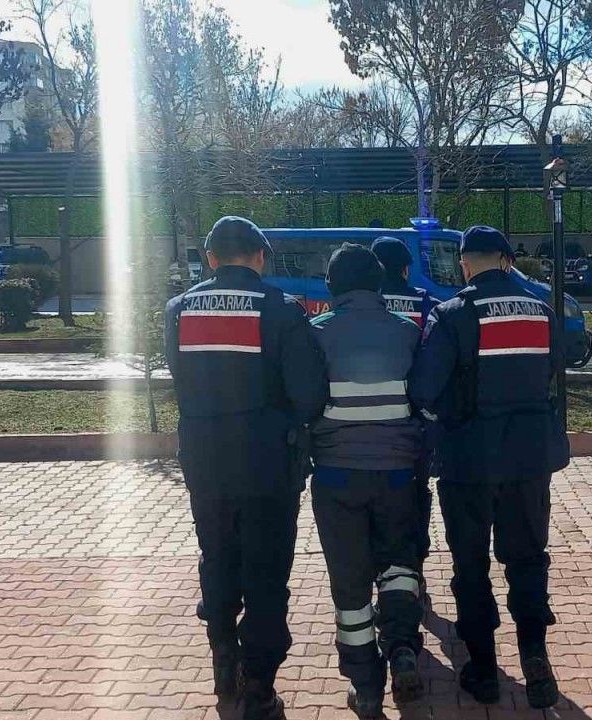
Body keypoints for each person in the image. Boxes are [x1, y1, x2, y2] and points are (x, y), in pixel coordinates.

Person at [165, 216, 328, 720]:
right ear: (260, 257)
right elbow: (309, 396)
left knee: (216, 558)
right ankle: (259, 687)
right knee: (265, 573)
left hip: (205, 462)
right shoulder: (282, 310)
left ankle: (222, 654)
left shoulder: (178, 309)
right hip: (267, 466)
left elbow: (179, 379)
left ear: (210, 258)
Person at [408, 225, 570, 709]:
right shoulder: (541, 311)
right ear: (506, 260)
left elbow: (424, 388)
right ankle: (535, 656)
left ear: (463, 264)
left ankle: (482, 668)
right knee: (528, 559)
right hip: (528, 459)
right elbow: (553, 369)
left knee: (471, 566)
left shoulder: (452, 313)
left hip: (469, 461)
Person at [308, 243, 425, 718]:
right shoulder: (408, 331)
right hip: (398, 472)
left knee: (351, 584)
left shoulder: (315, 333)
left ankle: (366, 685)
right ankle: (402, 647)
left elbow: (303, 400)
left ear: (331, 286)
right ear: (380, 284)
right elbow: (424, 398)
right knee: (399, 564)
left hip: (336, 476)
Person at [370, 236, 436, 587]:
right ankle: (413, 568)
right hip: (415, 421)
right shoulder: (426, 304)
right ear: (406, 269)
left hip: (368, 420)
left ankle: (377, 568)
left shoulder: (365, 305)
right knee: (415, 492)